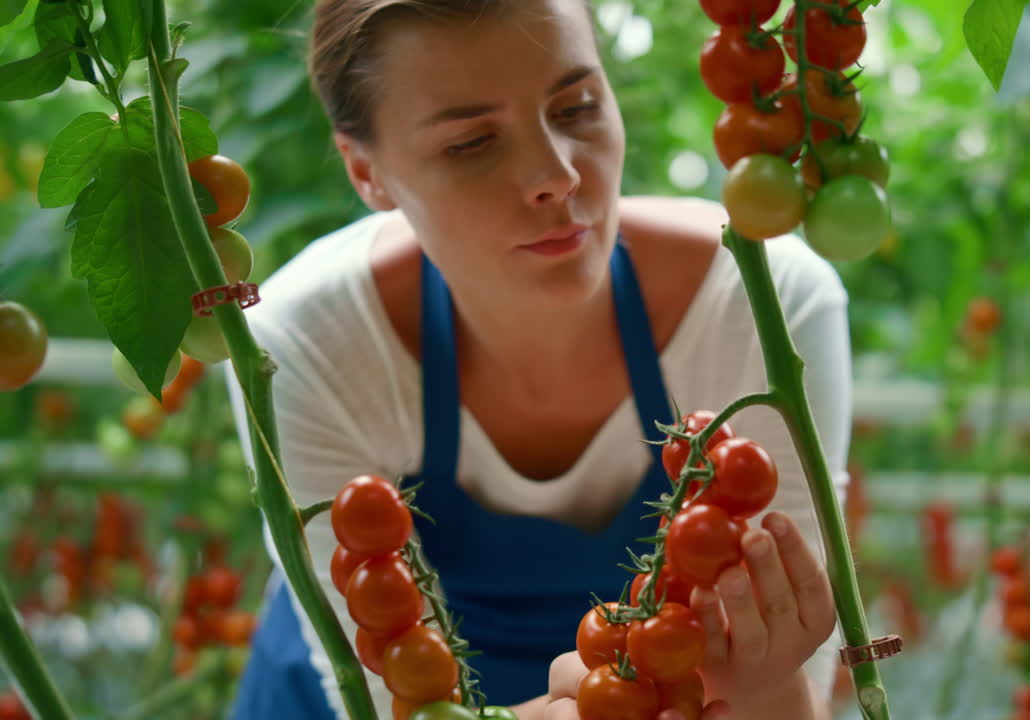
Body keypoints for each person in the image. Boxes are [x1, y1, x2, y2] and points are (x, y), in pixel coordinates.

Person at [226, 1, 854, 718]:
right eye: (470, 143)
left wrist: (768, 683)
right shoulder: (308, 344)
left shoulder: (763, 311)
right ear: (365, 171)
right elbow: (379, 700)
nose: (556, 175)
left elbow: (787, 668)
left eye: (578, 106)